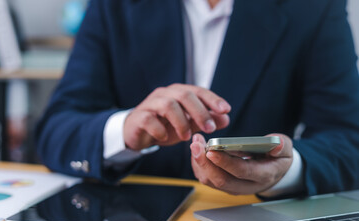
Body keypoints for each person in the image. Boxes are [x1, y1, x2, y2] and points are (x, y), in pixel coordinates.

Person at [36, 0, 359, 199]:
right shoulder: (113, 5)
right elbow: (55, 129)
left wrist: (285, 171)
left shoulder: (314, 6)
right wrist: (125, 130)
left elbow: (348, 140)